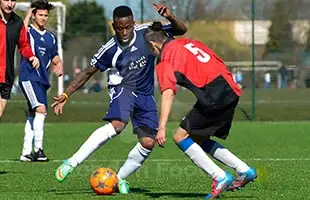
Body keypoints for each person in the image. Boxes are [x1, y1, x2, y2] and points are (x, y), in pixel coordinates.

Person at [51, 4, 187, 193]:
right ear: (113, 26)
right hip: (122, 88)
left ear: (133, 24)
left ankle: (120, 178)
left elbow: (181, 30)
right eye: (120, 28)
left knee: (148, 142)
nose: (124, 32)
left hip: (146, 94)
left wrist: (171, 16)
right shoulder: (109, 49)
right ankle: (72, 162)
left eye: (128, 27)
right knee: (118, 124)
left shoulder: (147, 32)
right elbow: (88, 72)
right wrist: (66, 94)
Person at [144, 22, 257, 199]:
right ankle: (244, 170)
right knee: (198, 136)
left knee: (180, 136)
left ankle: (219, 177)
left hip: (213, 94)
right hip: (231, 88)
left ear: (153, 45)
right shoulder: (187, 42)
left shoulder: (165, 59)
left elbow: (168, 93)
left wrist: (161, 127)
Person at [19, 0, 63, 162]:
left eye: (45, 15)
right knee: (41, 110)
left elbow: (55, 57)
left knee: (34, 113)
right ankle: (38, 150)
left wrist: (59, 64)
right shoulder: (28, 31)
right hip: (29, 77)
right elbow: (20, 34)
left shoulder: (50, 37)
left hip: (42, 81)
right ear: (34, 15)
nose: (43, 18)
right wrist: (27, 15)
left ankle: (25, 152)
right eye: (40, 15)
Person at [0, 0, 40, 120]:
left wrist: (31, 56)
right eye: (6, 0)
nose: (10, 4)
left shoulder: (17, 22)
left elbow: (24, 45)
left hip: (7, 76)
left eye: (13, 1)